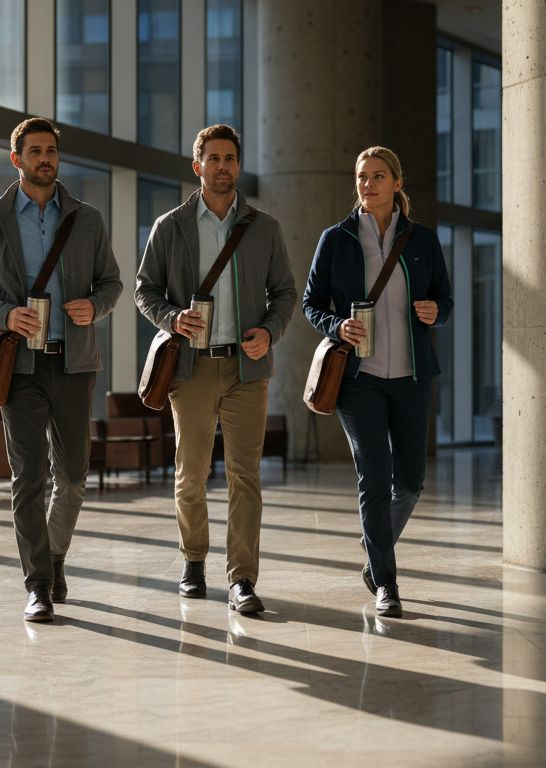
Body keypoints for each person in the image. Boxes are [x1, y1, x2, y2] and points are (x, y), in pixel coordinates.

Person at [0, 117, 122, 622]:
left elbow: (111, 282)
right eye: (35, 151)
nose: (45, 158)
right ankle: (38, 585)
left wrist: (95, 306)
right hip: (19, 366)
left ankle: (53, 555)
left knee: (71, 477)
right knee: (28, 477)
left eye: (51, 150)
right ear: (17, 159)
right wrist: (5, 315)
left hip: (74, 363)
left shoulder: (87, 219)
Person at [135, 124, 296, 615]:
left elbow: (285, 292)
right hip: (192, 367)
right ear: (197, 166)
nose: (222, 166)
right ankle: (193, 561)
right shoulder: (171, 226)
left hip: (247, 368)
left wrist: (269, 331)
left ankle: (242, 578)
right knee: (192, 474)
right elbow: (145, 290)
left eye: (230, 158)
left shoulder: (264, 228)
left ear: (238, 165)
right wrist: (171, 318)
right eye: (214, 158)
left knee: (246, 476)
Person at [302, 146, 453, 617]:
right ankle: (387, 583)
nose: (368, 184)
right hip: (358, 378)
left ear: (397, 183)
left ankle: (374, 547)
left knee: (409, 483)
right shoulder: (336, 239)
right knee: (374, 476)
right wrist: (337, 326)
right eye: (362, 176)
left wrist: (435, 311)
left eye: (379, 176)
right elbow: (311, 303)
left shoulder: (422, 240)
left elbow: (445, 301)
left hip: (412, 376)